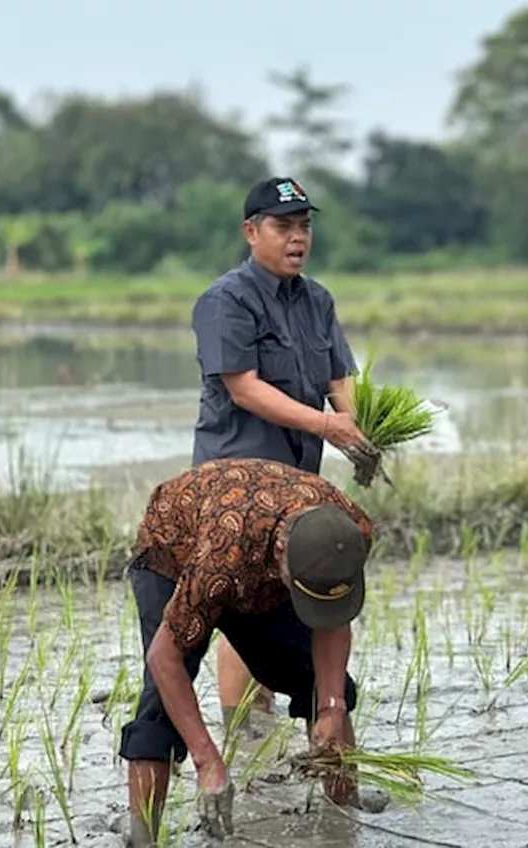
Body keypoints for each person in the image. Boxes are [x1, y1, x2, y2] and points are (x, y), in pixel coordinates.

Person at [189, 176, 381, 736]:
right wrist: (327, 423)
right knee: (246, 599)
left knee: (288, 591)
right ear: (252, 233)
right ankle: (246, 730)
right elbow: (243, 386)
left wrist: (362, 428)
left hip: (297, 478)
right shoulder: (226, 301)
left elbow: (338, 377)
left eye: (305, 227)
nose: (297, 238)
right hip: (237, 479)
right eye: (283, 227)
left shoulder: (317, 300)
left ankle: (269, 723)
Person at [119, 458, 382, 846]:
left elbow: (332, 616)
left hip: (252, 560)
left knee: (319, 679)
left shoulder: (351, 533)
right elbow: (164, 658)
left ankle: (344, 808)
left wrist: (330, 706)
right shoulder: (222, 559)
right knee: (162, 700)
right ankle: (143, 835)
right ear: (280, 557)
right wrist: (208, 761)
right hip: (176, 550)